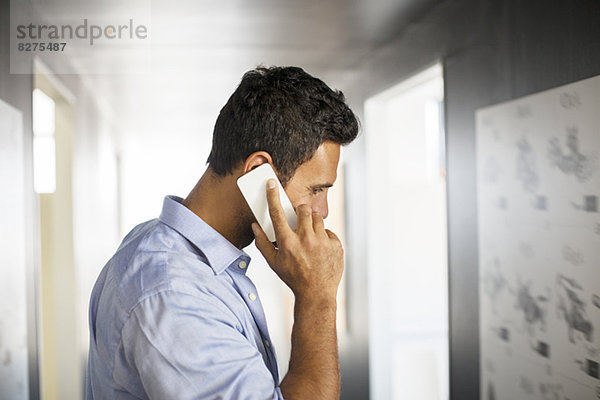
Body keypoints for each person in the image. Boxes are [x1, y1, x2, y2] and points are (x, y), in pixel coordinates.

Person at [86, 65, 359, 400]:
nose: (324, 211)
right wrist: (318, 299)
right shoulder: (174, 296)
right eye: (316, 189)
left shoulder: (157, 244)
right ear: (260, 172)